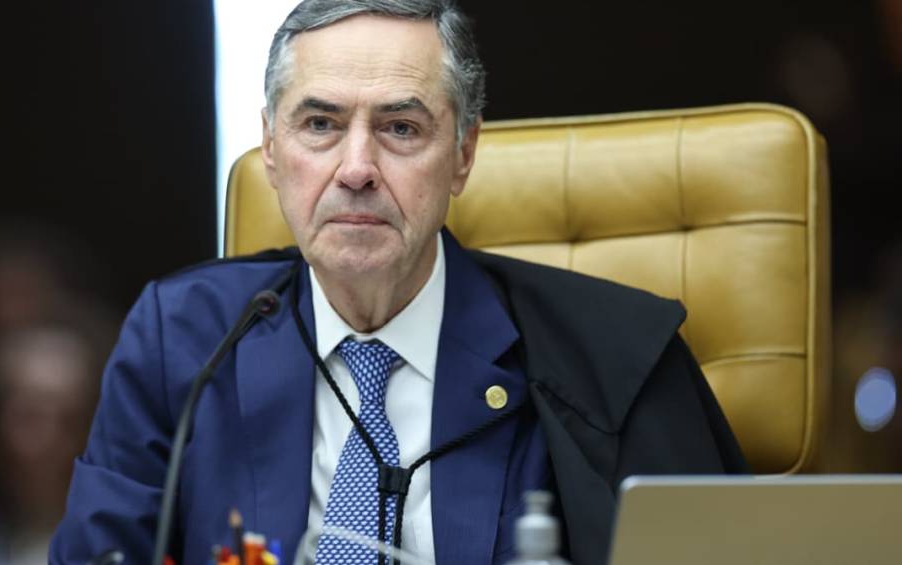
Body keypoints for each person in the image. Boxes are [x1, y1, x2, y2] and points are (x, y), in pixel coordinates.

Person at [50, 2, 747, 564]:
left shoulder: (613, 359)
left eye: (401, 128)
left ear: (464, 153)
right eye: (320, 124)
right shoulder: (183, 341)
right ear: (271, 148)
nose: (356, 167)